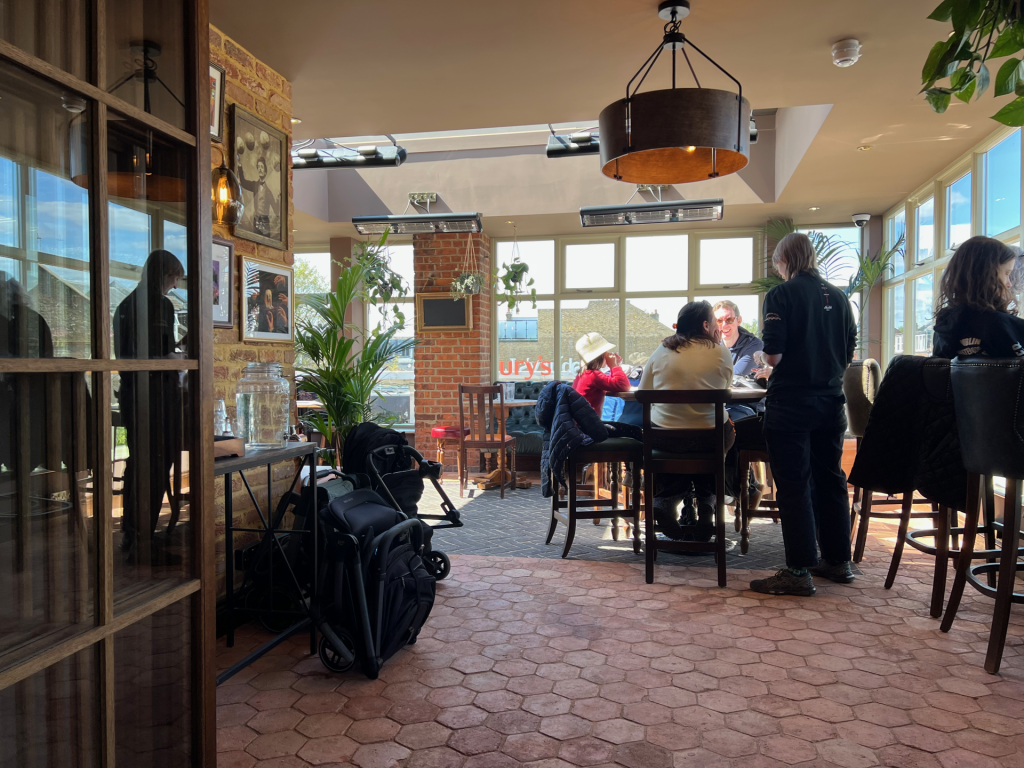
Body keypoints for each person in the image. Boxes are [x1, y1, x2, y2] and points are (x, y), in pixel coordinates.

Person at [749, 232, 858, 597]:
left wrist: (765, 360)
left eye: (777, 265)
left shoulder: (781, 294)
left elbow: (774, 355)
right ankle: (838, 561)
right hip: (831, 402)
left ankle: (798, 571)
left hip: (791, 404)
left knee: (795, 485)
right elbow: (847, 354)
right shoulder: (840, 297)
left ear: (784, 261)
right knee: (831, 480)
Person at [638, 301, 734, 540]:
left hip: (665, 439)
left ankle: (664, 500)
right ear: (705, 325)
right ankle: (707, 502)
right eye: (715, 322)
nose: (718, 327)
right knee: (722, 440)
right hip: (710, 438)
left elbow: (642, 392)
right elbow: (726, 388)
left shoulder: (662, 350)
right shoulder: (721, 352)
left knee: (679, 450)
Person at [113, 250, 186, 558]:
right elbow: (161, 357)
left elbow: (136, 352)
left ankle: (132, 533)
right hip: (156, 397)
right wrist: (180, 357)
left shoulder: (124, 305)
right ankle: (144, 541)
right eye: (175, 278)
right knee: (157, 464)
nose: (175, 285)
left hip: (132, 394)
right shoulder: (160, 304)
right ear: (165, 275)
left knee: (138, 463)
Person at [932, 236, 1024, 360]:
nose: (1009, 284)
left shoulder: (943, 324)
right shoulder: (1004, 325)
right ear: (987, 275)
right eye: (1007, 274)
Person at [713, 300, 764, 376]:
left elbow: (735, 375)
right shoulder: (712, 345)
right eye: (719, 321)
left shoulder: (755, 345)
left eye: (729, 320)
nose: (724, 325)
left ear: (739, 320)